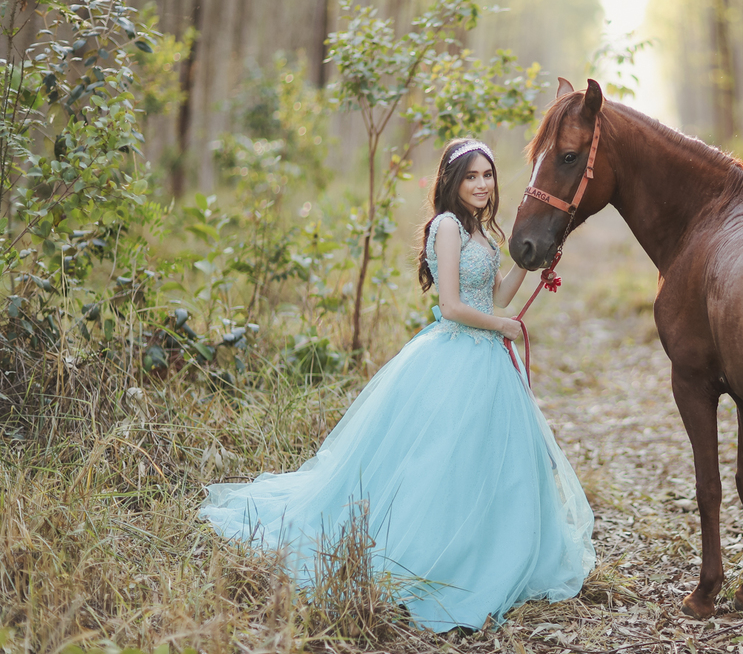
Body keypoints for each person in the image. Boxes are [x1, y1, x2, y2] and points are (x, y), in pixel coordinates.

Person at [200, 138, 595, 632]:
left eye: (487, 176)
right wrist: (503, 328)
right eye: (471, 176)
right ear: (452, 182)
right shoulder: (448, 227)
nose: (480, 185)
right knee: (438, 461)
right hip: (454, 355)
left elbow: (492, 296)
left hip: (487, 362)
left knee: (487, 462)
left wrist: (529, 265)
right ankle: (433, 558)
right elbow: (452, 306)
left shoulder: (482, 230)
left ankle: (487, 547)